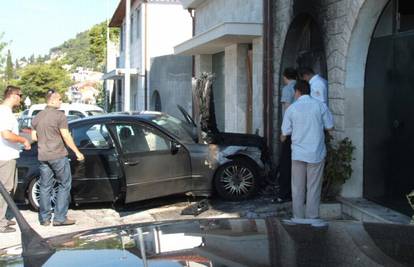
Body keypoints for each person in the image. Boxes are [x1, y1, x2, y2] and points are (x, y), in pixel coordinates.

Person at [281, 80, 334, 227]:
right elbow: (330, 127)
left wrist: (284, 138)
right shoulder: (320, 106)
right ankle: (313, 216)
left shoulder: (291, 108)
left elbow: (285, 133)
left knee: (297, 186)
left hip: (298, 153)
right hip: (316, 152)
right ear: (309, 91)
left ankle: (298, 215)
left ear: (297, 92)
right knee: (314, 186)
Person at [31, 89, 84, 226]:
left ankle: (44, 219)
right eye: (60, 99)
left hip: (43, 156)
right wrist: (77, 152)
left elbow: (33, 137)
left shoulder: (37, 116)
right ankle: (60, 218)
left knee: (45, 186)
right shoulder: (59, 116)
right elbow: (66, 136)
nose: (61, 101)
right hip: (58, 155)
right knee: (64, 184)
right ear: (53, 100)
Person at [0, 85, 31, 233]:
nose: (21, 98)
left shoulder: (6, 112)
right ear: (13, 95)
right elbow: (6, 134)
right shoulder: (4, 113)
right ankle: (0, 223)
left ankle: (4, 218)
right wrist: (22, 140)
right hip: (5, 156)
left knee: (9, 188)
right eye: (20, 95)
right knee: (5, 190)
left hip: (8, 155)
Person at [276, 67, 297, 203]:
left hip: (290, 132)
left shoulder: (287, 89)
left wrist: (284, 132)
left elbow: (287, 111)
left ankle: (284, 193)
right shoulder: (301, 87)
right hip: (302, 131)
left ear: (285, 77)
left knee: (285, 163)